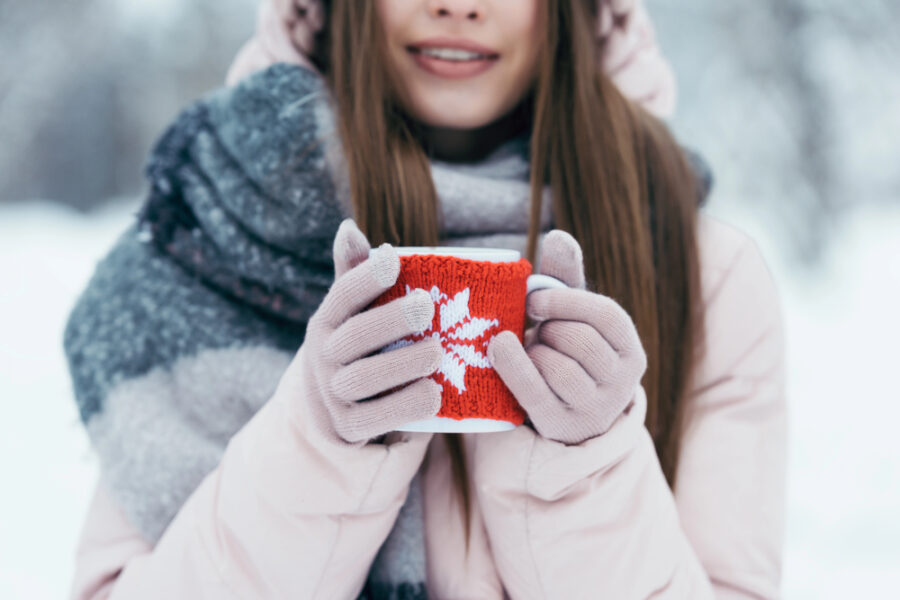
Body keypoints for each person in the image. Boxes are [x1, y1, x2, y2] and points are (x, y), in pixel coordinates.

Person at [65, 0, 787, 598]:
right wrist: (315, 445)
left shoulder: (703, 275)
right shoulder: (208, 237)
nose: (458, 6)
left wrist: (580, 471)